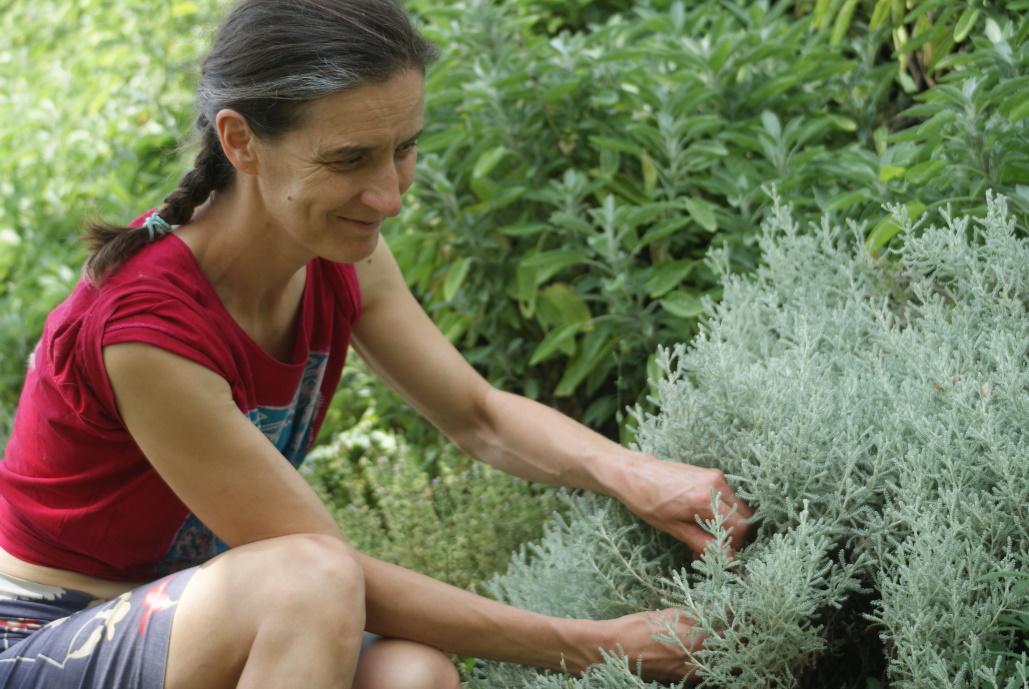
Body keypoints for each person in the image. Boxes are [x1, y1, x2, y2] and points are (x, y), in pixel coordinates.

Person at [0, 0, 753, 686]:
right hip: (43, 633)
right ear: (240, 141)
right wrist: (598, 644)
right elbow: (326, 571)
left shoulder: (337, 248)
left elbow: (478, 416)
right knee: (309, 580)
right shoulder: (146, 331)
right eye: (350, 159)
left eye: (403, 148)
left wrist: (639, 474)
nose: (389, 194)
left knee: (417, 678)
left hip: (191, 617)